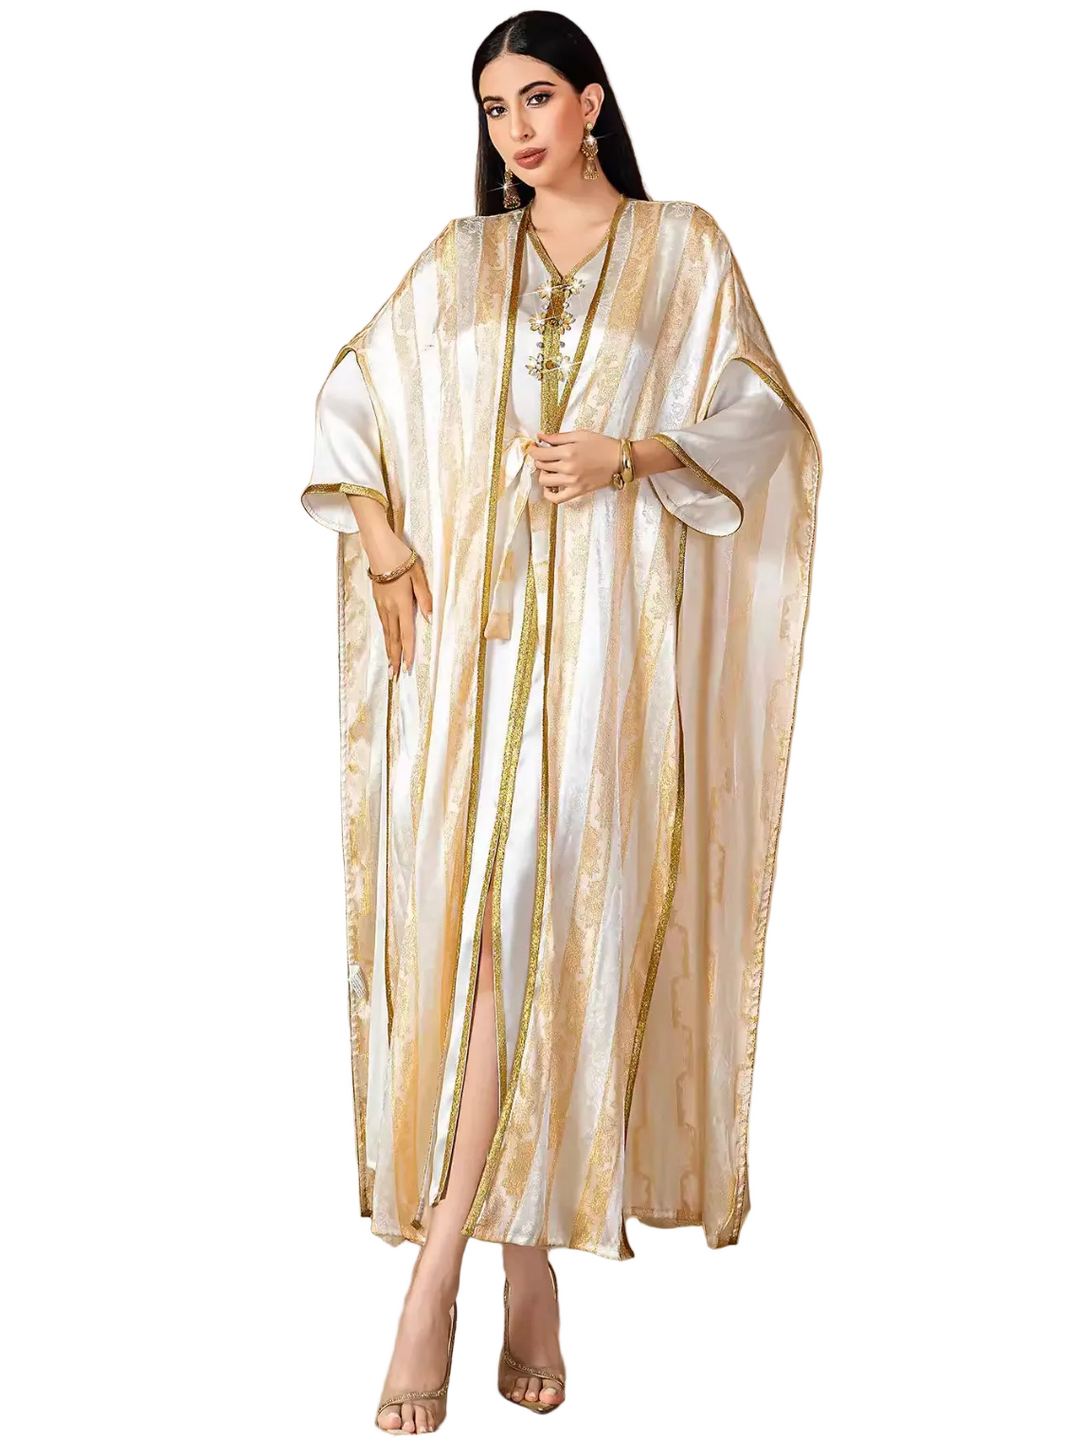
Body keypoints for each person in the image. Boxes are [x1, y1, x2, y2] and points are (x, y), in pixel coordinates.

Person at [301, 11, 822, 1432]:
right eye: (493, 108)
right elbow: (354, 396)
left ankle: (438, 1270)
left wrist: (631, 453)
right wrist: (379, 537)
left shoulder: (683, 250)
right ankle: (518, 1261)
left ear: (592, 102)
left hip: (607, 664)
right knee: (479, 938)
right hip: (466, 669)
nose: (515, 129)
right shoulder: (463, 260)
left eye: (537, 97)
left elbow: (764, 415)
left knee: (540, 923)